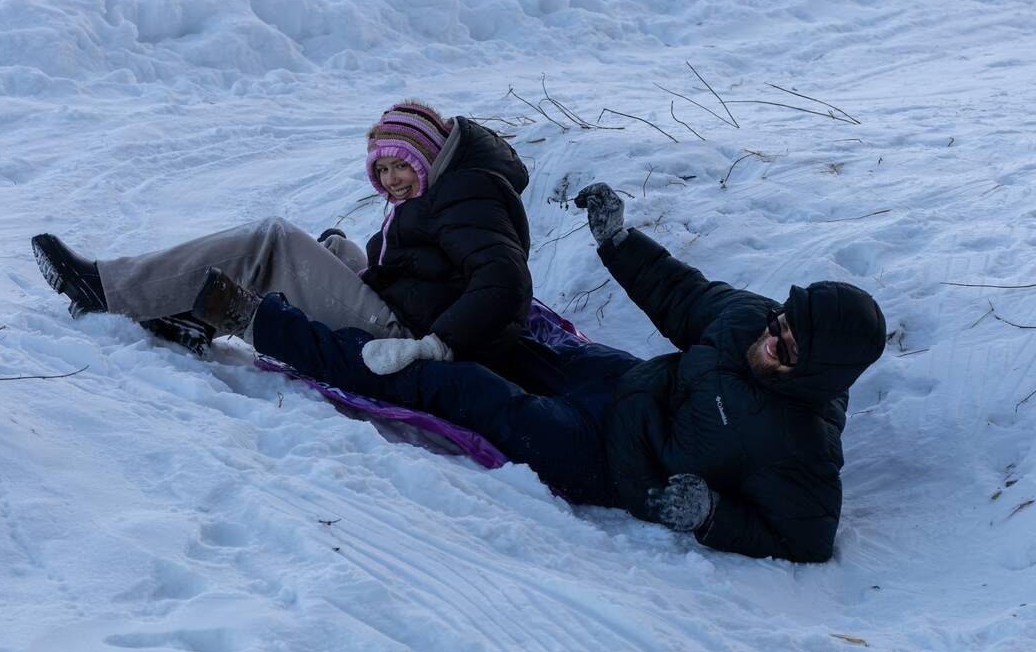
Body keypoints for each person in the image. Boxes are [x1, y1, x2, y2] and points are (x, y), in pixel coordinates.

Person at [194, 182, 887, 563]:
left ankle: (261, 322)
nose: (772, 341)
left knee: (455, 387)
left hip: (602, 459)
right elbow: (680, 293)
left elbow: (805, 539)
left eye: (790, 348)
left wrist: (712, 516)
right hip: (613, 380)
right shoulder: (749, 323)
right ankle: (355, 283)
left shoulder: (800, 445)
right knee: (487, 334)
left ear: (822, 373)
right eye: (779, 325)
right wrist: (618, 239)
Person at [31, 101, 546, 384]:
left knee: (271, 242)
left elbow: (504, 282)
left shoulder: (465, 194)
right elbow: (435, 267)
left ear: (429, 157)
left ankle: (105, 288)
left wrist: (433, 346)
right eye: (382, 169)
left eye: (401, 166)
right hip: (410, 307)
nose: (391, 181)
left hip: (407, 334)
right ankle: (188, 313)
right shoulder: (451, 187)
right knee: (333, 247)